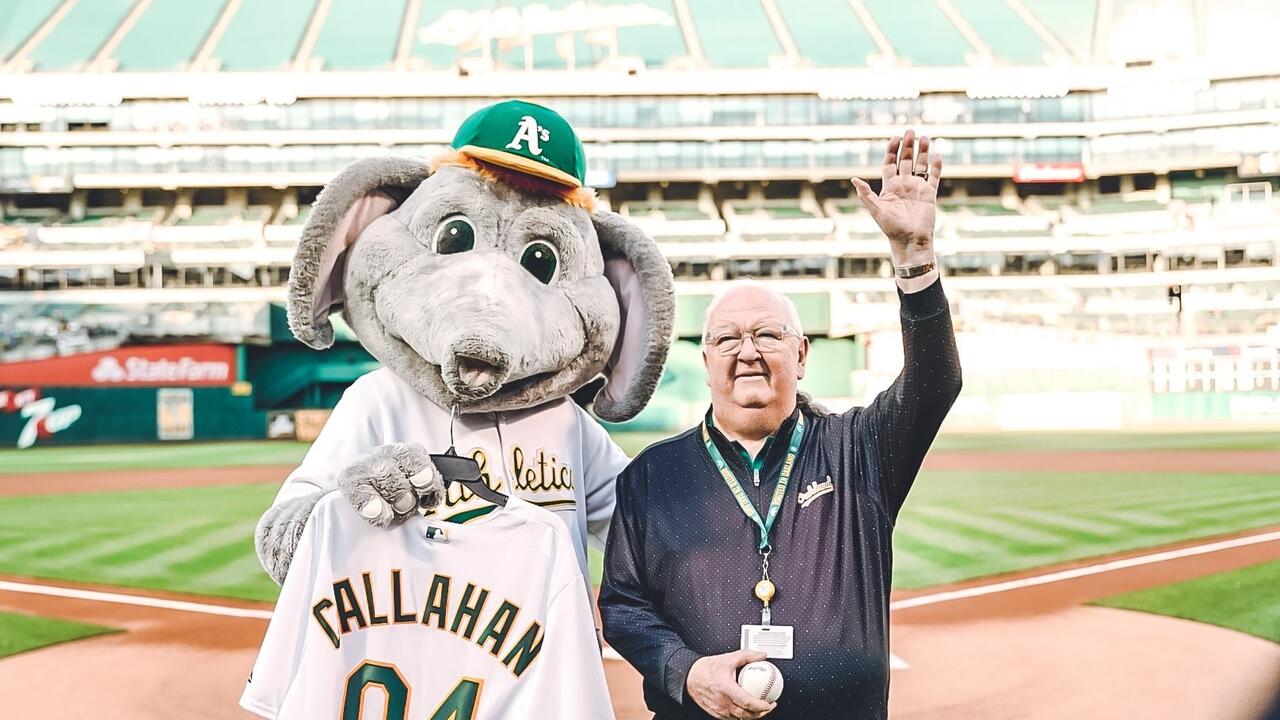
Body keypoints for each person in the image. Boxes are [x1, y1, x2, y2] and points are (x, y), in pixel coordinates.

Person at [599, 130, 962, 720]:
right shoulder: (652, 475)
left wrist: (914, 257)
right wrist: (687, 673)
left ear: (801, 355)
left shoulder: (859, 451)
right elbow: (623, 606)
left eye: (768, 335)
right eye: (727, 339)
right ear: (707, 361)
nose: (747, 351)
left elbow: (935, 383)